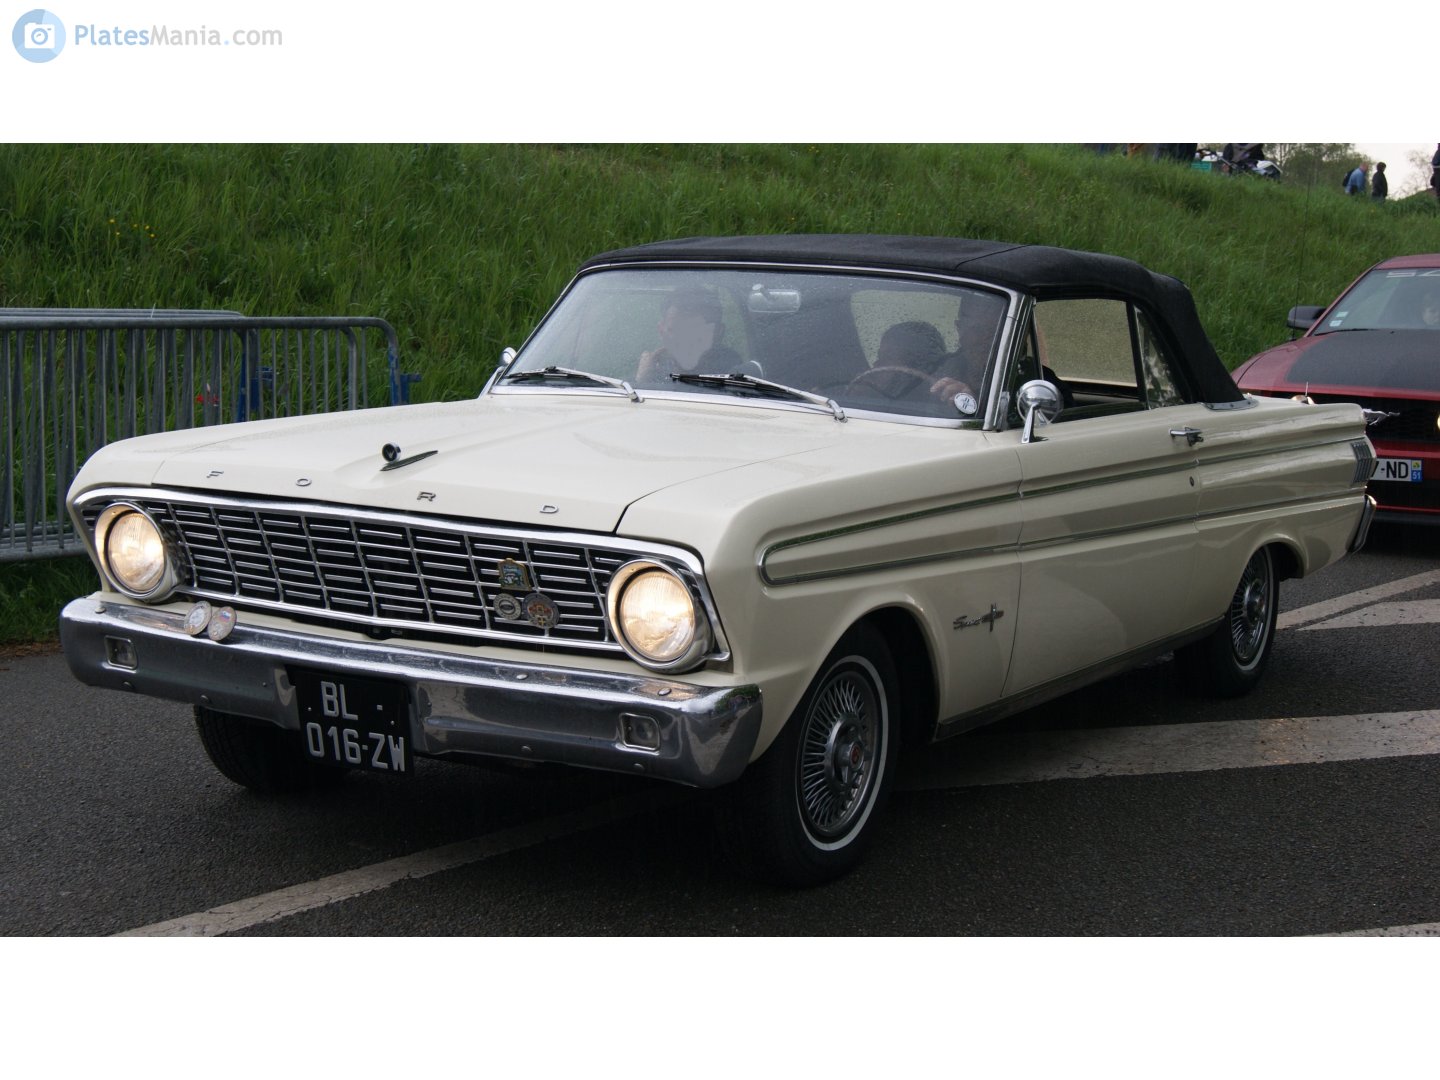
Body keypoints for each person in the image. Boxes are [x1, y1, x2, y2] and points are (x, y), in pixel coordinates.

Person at [635, 287, 731, 383]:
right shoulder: (652, 368)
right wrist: (642, 380)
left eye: (694, 331)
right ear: (661, 330)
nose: (682, 341)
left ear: (717, 333)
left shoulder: (733, 372)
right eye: (675, 330)